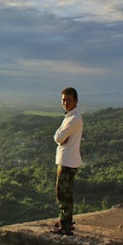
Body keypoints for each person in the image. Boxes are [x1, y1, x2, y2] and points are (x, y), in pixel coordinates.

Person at [51, 87, 83, 235]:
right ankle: (65, 220)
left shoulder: (73, 119)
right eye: (63, 100)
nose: (65, 103)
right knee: (64, 192)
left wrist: (61, 137)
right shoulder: (70, 117)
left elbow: (57, 137)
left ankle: (66, 224)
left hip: (68, 161)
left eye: (68, 100)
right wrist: (61, 137)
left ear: (76, 101)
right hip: (67, 160)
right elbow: (60, 138)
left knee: (62, 193)